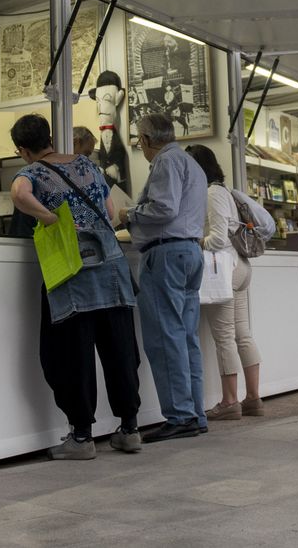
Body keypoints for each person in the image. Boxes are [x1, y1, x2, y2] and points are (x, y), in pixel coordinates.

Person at [9, 114, 141, 458]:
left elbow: (18, 194)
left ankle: (82, 437)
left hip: (72, 271)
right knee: (120, 350)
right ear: (50, 137)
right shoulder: (87, 164)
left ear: (23, 150)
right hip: (111, 267)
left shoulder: (32, 172)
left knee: (70, 353)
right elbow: (111, 212)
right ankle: (129, 429)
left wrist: (50, 218)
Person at [116, 112, 208, 441]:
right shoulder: (191, 163)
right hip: (189, 252)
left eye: (139, 139)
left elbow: (164, 208)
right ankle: (195, 413)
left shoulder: (165, 162)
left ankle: (180, 415)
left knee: (165, 337)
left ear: (146, 140)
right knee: (185, 337)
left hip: (166, 253)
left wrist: (129, 212)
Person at [186, 145, 265, 419]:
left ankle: (230, 401)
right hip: (240, 266)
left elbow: (218, 238)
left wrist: (194, 241)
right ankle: (253, 398)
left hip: (224, 270)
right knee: (242, 334)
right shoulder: (224, 191)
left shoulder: (211, 193)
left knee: (225, 339)